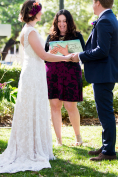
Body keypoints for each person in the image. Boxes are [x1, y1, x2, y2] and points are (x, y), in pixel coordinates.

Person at [0, 0, 72, 175]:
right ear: (35, 13)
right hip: (33, 74)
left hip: (33, 72)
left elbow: (41, 52)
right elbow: (42, 55)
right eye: (40, 11)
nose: (42, 13)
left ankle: (32, 146)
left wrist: (53, 53)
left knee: (33, 109)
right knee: (32, 109)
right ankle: (31, 149)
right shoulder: (30, 31)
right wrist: (66, 57)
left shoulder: (27, 30)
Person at [72, 0, 118, 161]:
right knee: (104, 111)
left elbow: (102, 51)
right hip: (105, 73)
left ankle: (109, 152)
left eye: (93, 2)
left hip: (103, 74)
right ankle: (106, 145)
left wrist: (79, 56)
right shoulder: (109, 18)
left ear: (98, 3)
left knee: (105, 112)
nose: (92, 6)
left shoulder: (105, 21)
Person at [45, 10, 85, 146]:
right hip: (53, 75)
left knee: (70, 106)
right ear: (56, 23)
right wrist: (50, 53)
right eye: (59, 21)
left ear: (69, 22)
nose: (62, 24)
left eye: (64, 21)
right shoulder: (50, 37)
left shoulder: (77, 36)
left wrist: (65, 53)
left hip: (71, 74)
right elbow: (44, 57)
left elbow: (82, 56)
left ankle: (78, 137)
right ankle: (59, 140)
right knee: (55, 106)